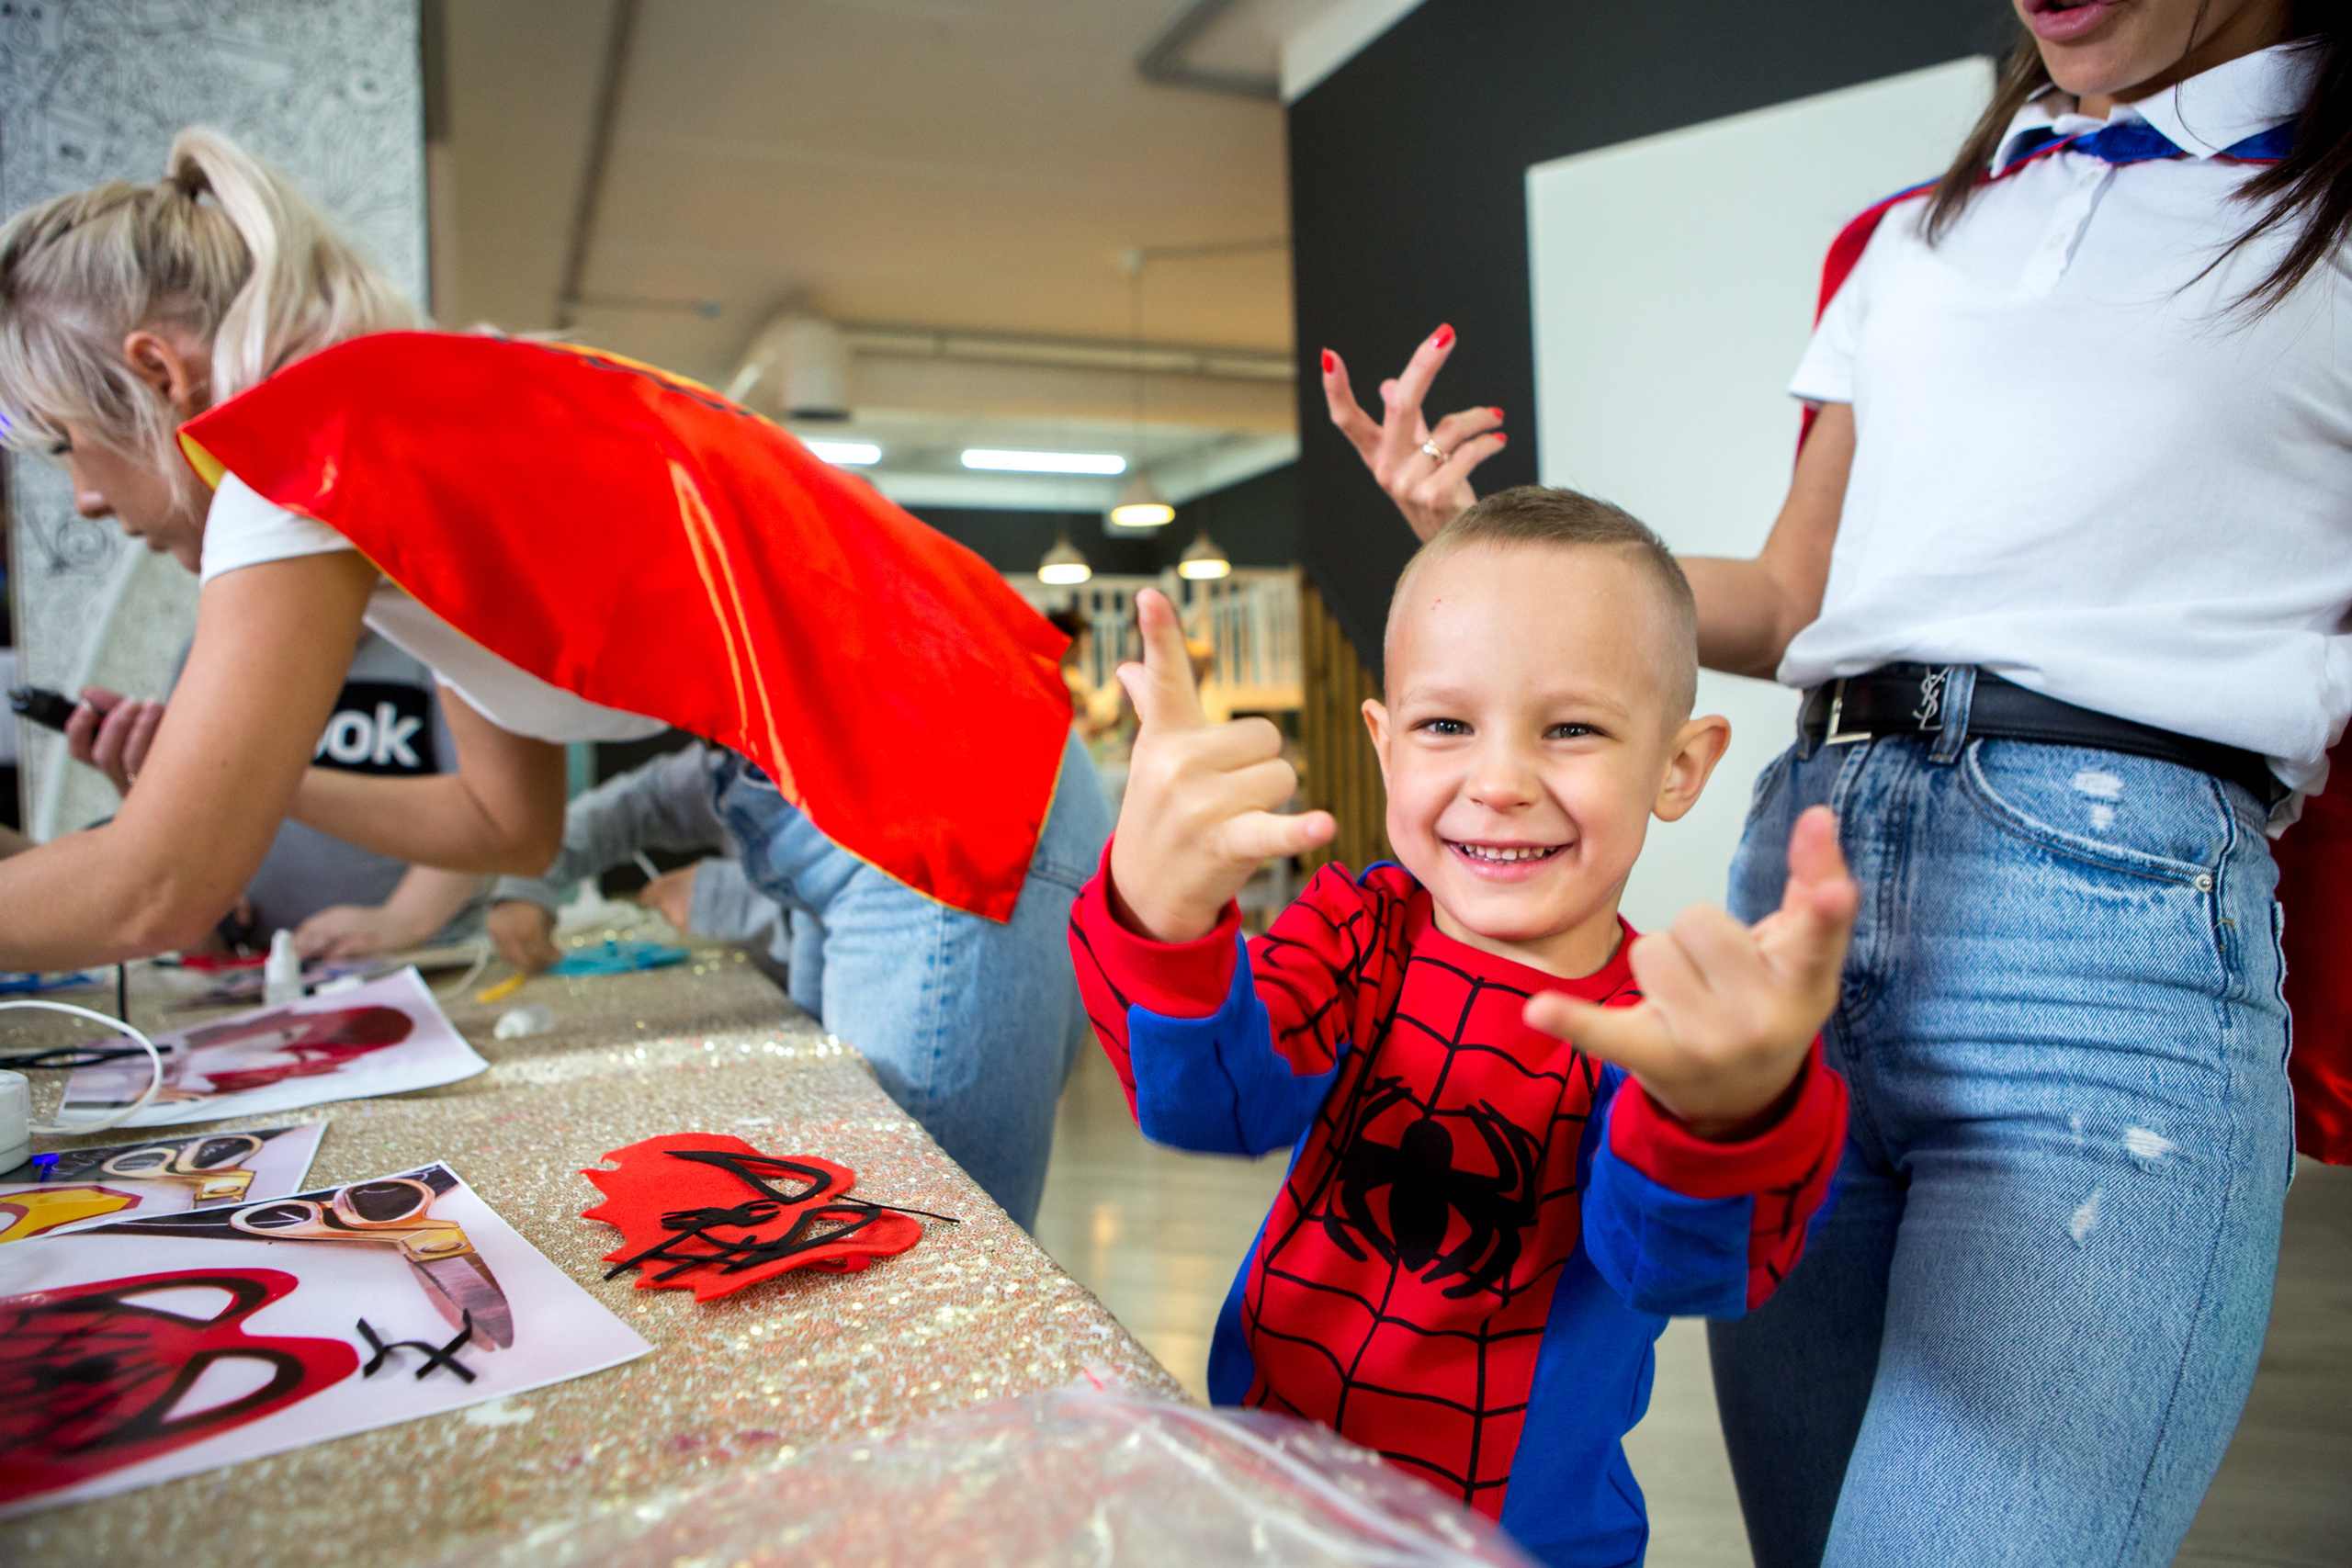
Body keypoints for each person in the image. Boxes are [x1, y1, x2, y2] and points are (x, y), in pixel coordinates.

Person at [1322, 5, 2350, 1562]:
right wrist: (1511, 556)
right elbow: (1800, 596)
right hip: (1798, 891)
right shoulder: (1923, 230)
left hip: (2111, 925)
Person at [0, 129, 1106, 1230]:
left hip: (936, 797)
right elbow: (508, 824)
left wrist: (189, 812)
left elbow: (160, 888)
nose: (85, 499)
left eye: (62, 446)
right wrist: (239, 780)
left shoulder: (294, 460)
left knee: (917, 1282)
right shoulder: (392, 434)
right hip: (923, 787)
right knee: (896, 1262)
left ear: (156, 370)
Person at [1070, 491, 1858, 1568]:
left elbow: (1672, 1266)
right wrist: (1159, 916)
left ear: (1677, 767)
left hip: (1527, 1544)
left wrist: (1727, 1117)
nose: (1498, 783)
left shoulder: (1656, 1032)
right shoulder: (1353, 929)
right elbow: (1208, 1102)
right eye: (1447, 725)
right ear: (1386, 748)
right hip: (1263, 1497)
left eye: (1571, 728)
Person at [64, 631, 486, 958]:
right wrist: (207, 886)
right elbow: (200, 809)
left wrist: (402, 920)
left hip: (421, 955)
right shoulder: (209, 653)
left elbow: (483, 811)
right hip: (258, 961)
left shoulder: (432, 648)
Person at [481, 740, 811, 989]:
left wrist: (725, 898)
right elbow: (642, 801)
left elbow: (849, 883)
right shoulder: (731, 755)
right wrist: (531, 879)